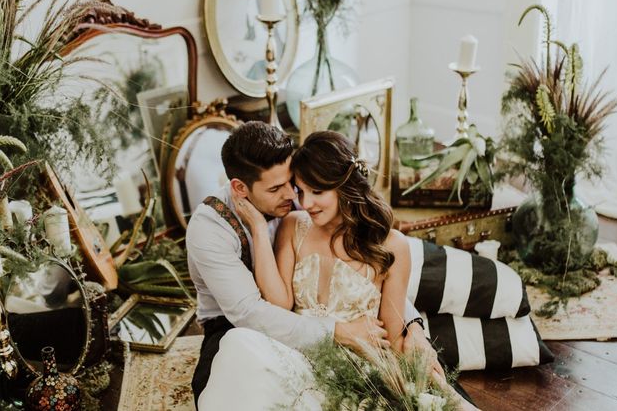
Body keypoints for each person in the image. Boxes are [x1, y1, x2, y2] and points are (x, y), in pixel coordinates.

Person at [186, 122, 475, 409]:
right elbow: (252, 314)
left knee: (432, 383)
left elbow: (381, 285)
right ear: (240, 188)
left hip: (339, 333)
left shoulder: (301, 200)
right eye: (278, 188)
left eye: (293, 184)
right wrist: (339, 331)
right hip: (233, 324)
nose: (294, 196)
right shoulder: (210, 229)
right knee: (232, 379)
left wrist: (412, 326)